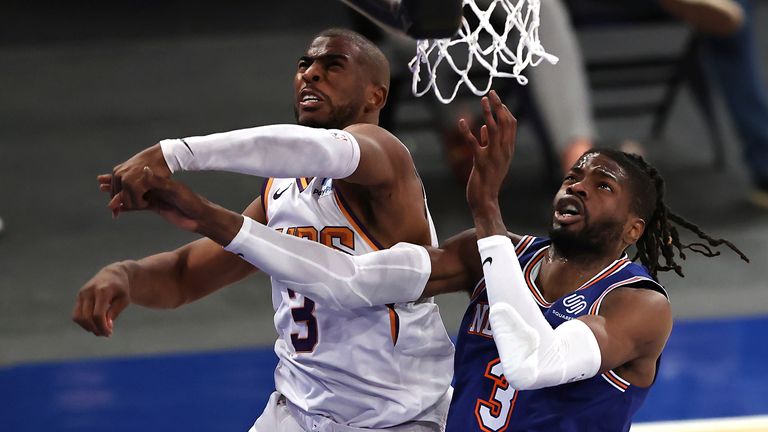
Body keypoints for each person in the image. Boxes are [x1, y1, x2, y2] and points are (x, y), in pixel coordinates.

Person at [128, 90, 748, 431]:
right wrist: (210, 217)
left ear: (634, 227)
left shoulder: (637, 305)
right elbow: (349, 283)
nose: (578, 185)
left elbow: (534, 363)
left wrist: (487, 215)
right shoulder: (502, 257)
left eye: (602, 185)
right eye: (577, 174)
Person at [72, 28, 455, 432]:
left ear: (375, 96)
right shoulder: (282, 189)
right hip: (297, 411)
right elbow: (186, 276)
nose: (311, 75)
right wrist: (126, 276)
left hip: (395, 419)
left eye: (332, 66)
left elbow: (321, 148)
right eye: (305, 65)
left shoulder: (385, 157)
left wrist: (175, 152)